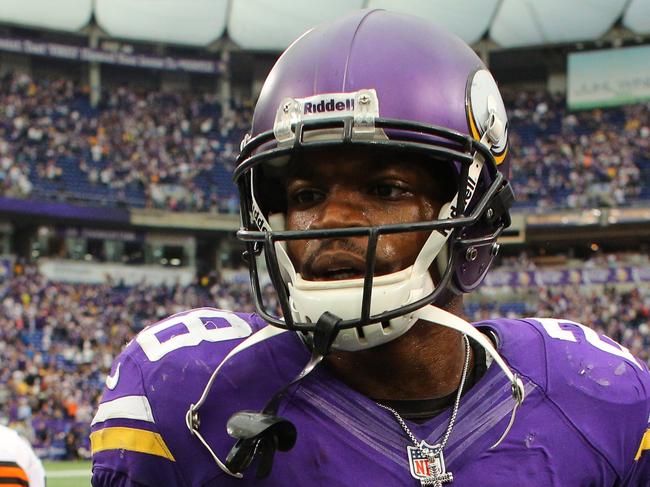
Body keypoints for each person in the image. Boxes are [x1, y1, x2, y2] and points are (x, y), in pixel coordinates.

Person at [90, 9, 650, 486]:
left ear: (471, 216)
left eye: (385, 189)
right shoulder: (189, 394)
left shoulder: (595, 393)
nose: (331, 220)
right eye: (307, 193)